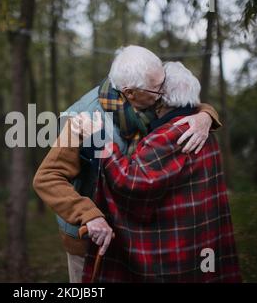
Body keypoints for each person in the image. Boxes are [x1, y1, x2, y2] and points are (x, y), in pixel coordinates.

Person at [33, 46, 221, 283]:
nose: (163, 91)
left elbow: (182, 101)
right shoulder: (81, 120)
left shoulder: (147, 96)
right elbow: (47, 177)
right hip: (90, 238)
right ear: (129, 92)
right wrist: (88, 215)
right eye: (158, 88)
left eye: (163, 81)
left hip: (130, 234)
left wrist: (205, 115)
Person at [81, 61, 241, 282]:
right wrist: (206, 114)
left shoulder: (167, 136)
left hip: (175, 248)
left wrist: (101, 144)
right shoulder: (205, 132)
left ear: (161, 99)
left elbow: (131, 183)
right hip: (201, 242)